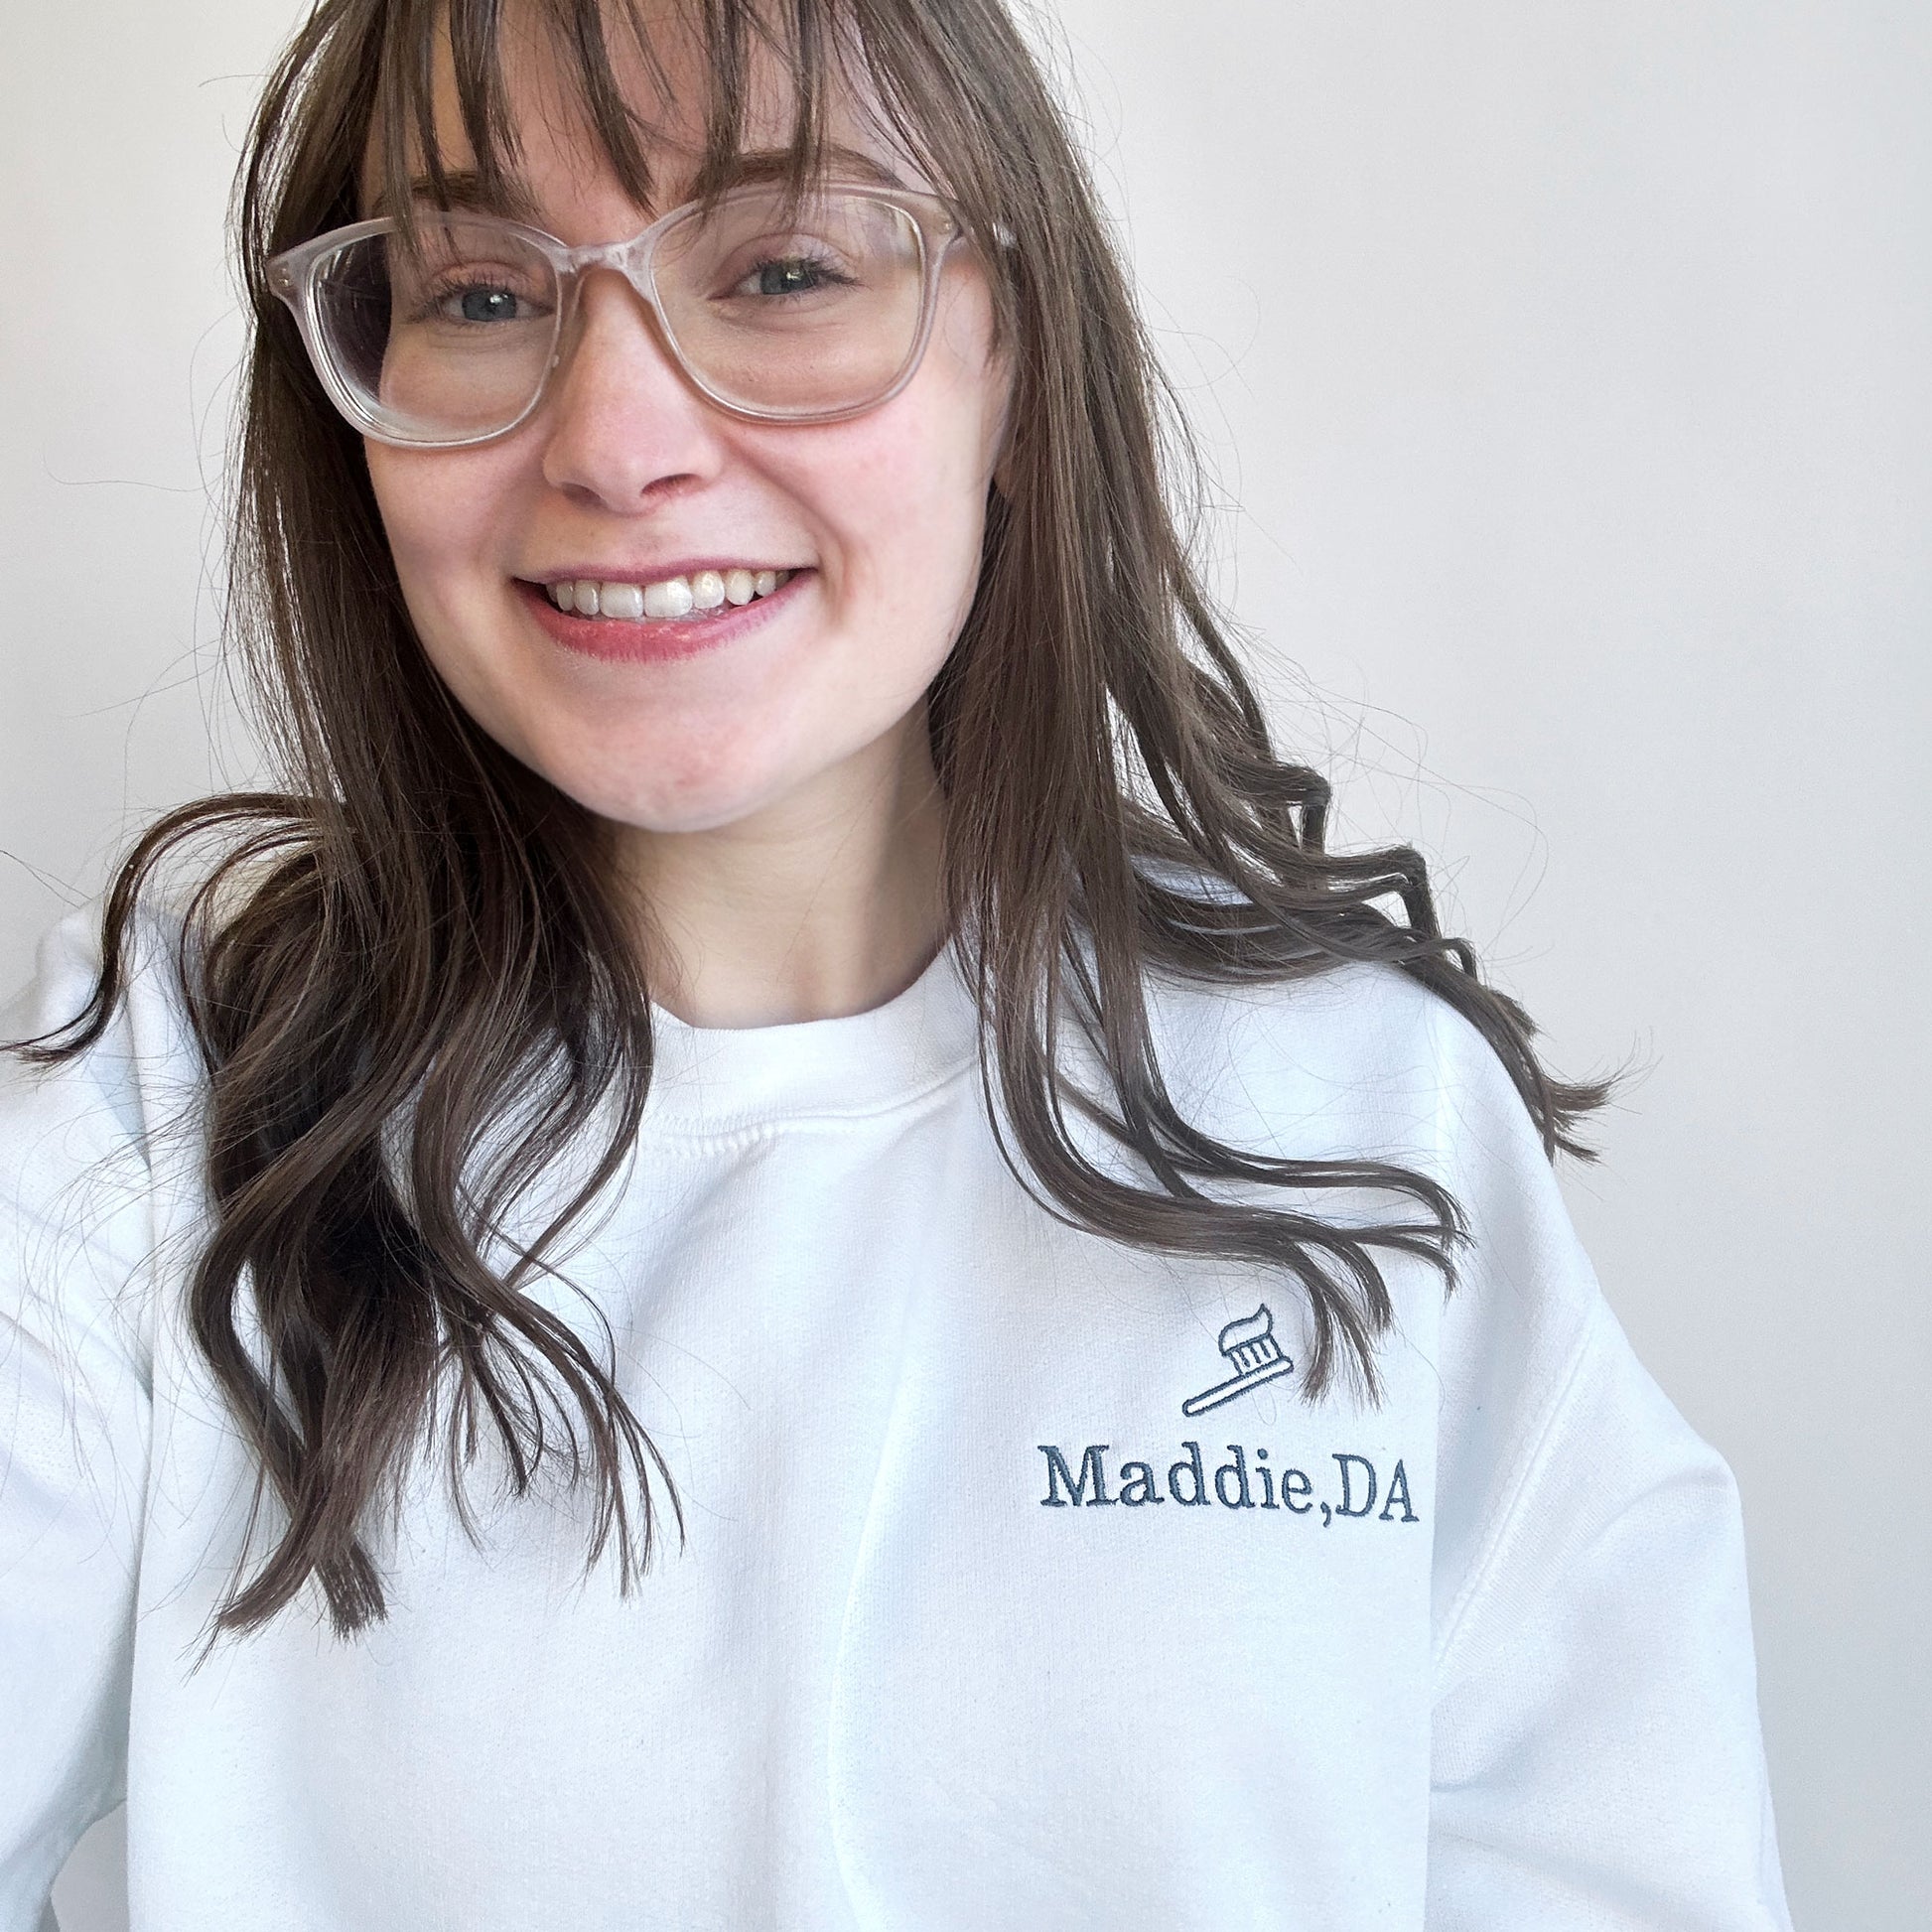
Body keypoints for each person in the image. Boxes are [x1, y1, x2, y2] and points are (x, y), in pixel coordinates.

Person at [0, 0, 1793, 1927]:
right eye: (484, 294)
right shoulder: (157, 1122)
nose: (613, 440)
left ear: (1007, 352)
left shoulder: (1369, 1115)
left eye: (782, 267)